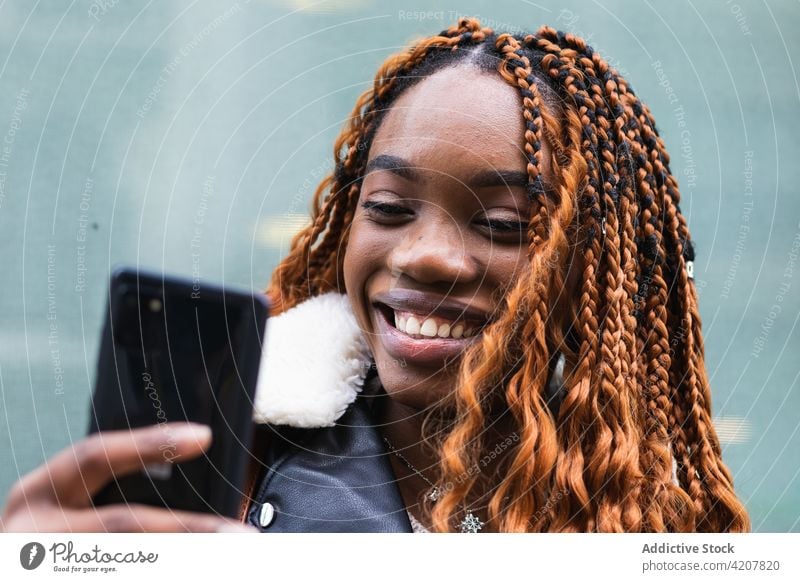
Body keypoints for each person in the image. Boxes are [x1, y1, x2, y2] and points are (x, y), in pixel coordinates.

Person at [1, 17, 750, 533]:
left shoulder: (645, 526)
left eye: (502, 226)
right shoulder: (221, 466)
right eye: (389, 207)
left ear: (591, 274)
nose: (424, 254)